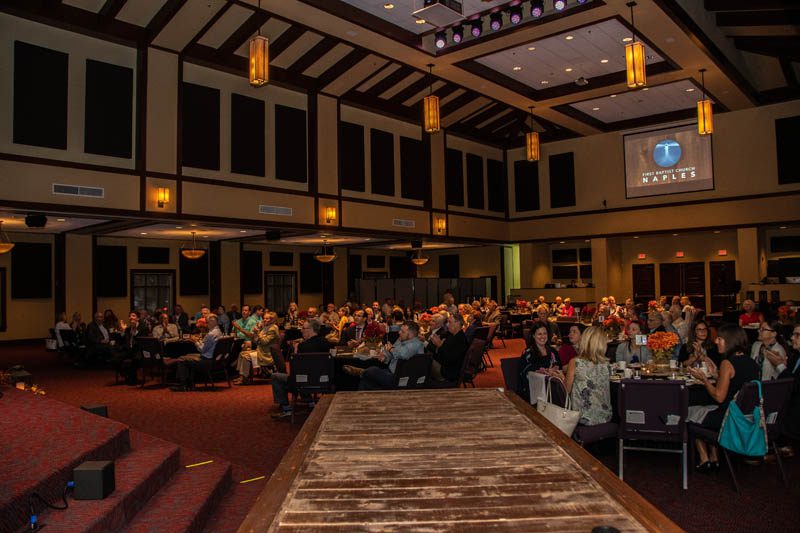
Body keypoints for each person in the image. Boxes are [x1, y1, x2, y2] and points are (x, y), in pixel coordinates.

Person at [687, 325, 760, 472]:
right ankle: (714, 458)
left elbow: (719, 397)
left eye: (719, 339)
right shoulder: (751, 362)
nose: (716, 342)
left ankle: (704, 458)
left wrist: (704, 379)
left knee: (689, 412)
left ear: (729, 341)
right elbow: (735, 383)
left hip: (727, 417)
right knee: (704, 408)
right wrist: (716, 375)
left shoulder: (727, 363)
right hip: (745, 415)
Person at [551, 326, 612, 426]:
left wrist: (561, 378)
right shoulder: (606, 364)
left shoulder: (575, 362)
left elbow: (566, 391)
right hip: (605, 416)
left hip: (582, 418)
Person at [271, 318, 330, 419]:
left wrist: (296, 349)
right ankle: (310, 403)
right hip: (323, 380)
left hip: (303, 382)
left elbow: (296, 368)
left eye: (304, 328)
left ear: (311, 330)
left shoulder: (302, 346)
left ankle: (286, 409)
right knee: (307, 373)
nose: (301, 331)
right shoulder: (326, 342)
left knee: (275, 376)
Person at [346, 322, 425, 390]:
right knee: (366, 380)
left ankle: (362, 372)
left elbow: (403, 354)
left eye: (402, 331)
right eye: (400, 330)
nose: (399, 332)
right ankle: (362, 398)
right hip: (392, 372)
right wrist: (385, 357)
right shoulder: (401, 339)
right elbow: (391, 353)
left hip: (403, 379)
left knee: (373, 370)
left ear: (411, 334)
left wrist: (391, 349)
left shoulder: (416, 344)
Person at [171, 314, 223, 392]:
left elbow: (202, 350)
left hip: (207, 361)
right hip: (215, 360)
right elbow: (206, 346)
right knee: (187, 356)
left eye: (207, 322)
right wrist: (199, 341)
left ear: (213, 322)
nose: (206, 324)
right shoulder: (218, 331)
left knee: (181, 359)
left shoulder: (211, 334)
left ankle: (183, 385)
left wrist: (195, 341)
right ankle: (190, 383)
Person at [518, 321, 561, 399]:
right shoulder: (528, 353)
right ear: (533, 336)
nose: (542, 336)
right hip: (534, 390)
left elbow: (559, 367)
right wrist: (545, 371)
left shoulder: (553, 351)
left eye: (545, 333)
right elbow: (525, 373)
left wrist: (554, 371)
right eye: (539, 334)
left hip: (552, 387)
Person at [236, 311, 280, 384]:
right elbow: (257, 342)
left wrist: (258, 333)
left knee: (245, 356)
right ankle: (242, 376)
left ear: (272, 320)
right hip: (261, 350)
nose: (264, 320)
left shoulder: (273, 328)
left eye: (267, 318)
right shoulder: (266, 327)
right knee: (242, 353)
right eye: (264, 318)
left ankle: (245, 378)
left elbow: (264, 342)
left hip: (267, 354)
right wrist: (255, 334)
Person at [429, 314, 468, 383]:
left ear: (457, 324)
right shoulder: (451, 334)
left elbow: (449, 359)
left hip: (447, 372)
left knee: (424, 362)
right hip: (443, 365)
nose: (447, 325)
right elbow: (439, 336)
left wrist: (440, 346)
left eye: (450, 322)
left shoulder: (460, 340)